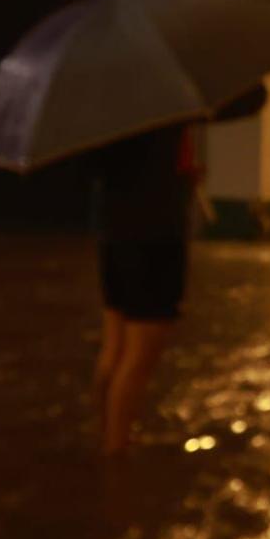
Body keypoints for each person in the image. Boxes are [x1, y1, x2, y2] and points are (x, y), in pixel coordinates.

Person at [90, 123, 198, 456]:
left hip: (114, 236)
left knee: (115, 347)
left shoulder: (109, 117)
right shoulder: (162, 116)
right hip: (154, 241)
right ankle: (116, 449)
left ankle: (107, 430)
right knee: (139, 356)